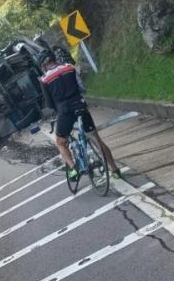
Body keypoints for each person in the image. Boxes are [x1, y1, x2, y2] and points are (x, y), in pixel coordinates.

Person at [38, 50, 120, 182]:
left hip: (65, 112)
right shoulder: (69, 68)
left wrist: (58, 110)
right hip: (80, 106)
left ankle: (73, 167)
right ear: (54, 59)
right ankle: (115, 170)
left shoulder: (44, 80)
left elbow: (50, 104)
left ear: (43, 65)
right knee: (96, 140)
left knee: (61, 142)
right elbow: (82, 87)